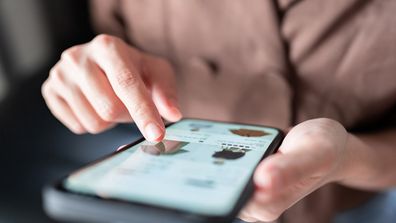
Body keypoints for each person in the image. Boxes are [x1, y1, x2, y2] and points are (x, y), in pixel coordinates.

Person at [41, 0, 396, 222]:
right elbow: (112, 37)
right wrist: (91, 78)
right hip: (172, 182)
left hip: (363, 196)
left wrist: (350, 158)